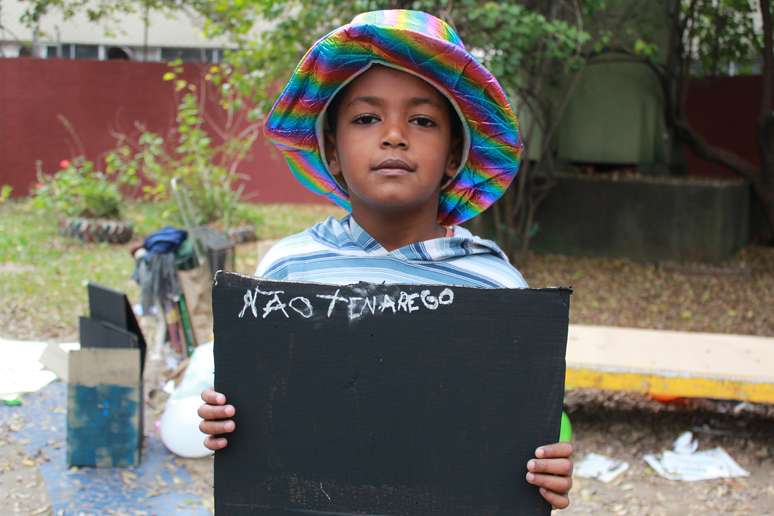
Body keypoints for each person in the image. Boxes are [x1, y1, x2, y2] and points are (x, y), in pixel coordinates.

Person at [199, 9, 573, 509]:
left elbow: (521, 421)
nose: (394, 135)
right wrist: (225, 420)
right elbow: (262, 407)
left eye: (421, 120)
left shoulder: (494, 285)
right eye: (366, 118)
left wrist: (548, 463)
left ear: (453, 153)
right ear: (332, 151)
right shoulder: (288, 272)